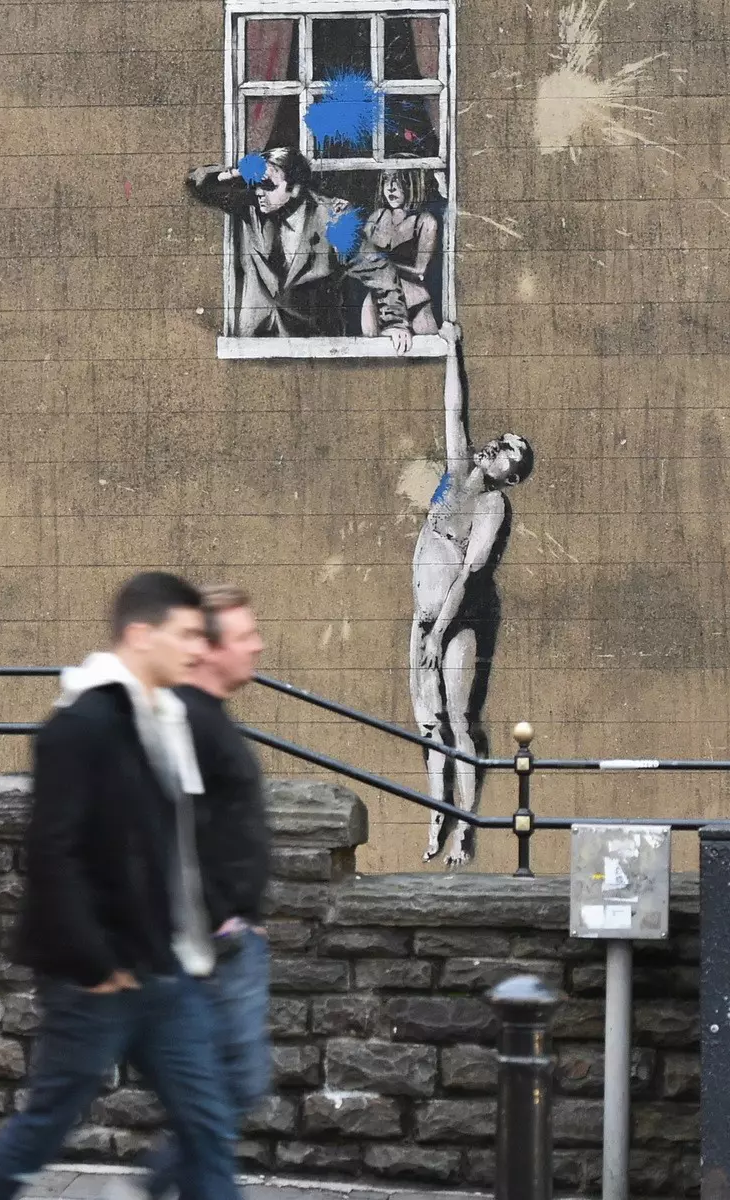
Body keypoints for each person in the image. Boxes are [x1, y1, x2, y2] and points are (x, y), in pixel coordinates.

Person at [0, 573, 359, 1200]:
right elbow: (52, 852)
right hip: (100, 979)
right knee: (41, 1129)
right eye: (186, 634)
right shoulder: (80, 725)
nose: (198, 648)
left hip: (168, 972)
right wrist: (95, 960)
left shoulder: (166, 719)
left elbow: (171, 854)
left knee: (209, 1128)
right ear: (141, 634)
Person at [107, 584, 286, 1200]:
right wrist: (213, 916)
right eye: (245, 634)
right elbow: (165, 828)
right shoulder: (186, 721)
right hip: (213, 944)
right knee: (228, 1091)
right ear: (208, 647)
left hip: (230, 936)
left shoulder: (206, 719)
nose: (258, 644)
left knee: (219, 1094)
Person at [412, 323, 534, 865]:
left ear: (512, 475)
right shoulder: (457, 474)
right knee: (428, 722)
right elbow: (454, 413)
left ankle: (464, 826)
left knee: (460, 722)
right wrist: (452, 346)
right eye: (500, 441)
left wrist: (440, 633)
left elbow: (469, 574)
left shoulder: (493, 508)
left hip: (456, 626)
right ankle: (436, 816)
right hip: (423, 620)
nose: (496, 446)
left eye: (508, 450)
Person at [187, 147, 361, 338]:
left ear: (295, 188)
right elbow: (196, 182)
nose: (259, 192)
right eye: (257, 184)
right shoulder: (252, 209)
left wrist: (395, 324)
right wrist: (238, 172)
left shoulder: (332, 216)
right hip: (258, 339)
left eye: (268, 186)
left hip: (313, 342)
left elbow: (375, 269)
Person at [351, 168, 443, 336]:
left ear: (413, 183)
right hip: (379, 302)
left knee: (425, 356)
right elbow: (360, 258)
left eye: (399, 180)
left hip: (415, 301)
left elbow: (420, 271)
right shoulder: (376, 218)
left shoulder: (425, 221)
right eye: (386, 179)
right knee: (377, 357)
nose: (390, 187)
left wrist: (382, 265)